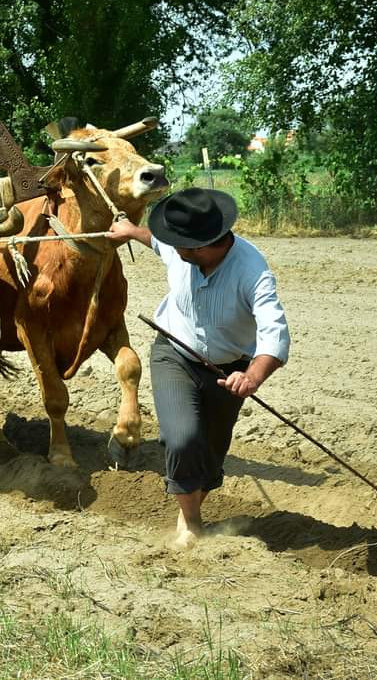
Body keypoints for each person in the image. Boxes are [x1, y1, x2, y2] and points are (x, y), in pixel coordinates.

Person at [107, 188, 290, 549]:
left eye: (182, 246)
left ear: (207, 245)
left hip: (229, 370)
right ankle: (191, 523)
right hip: (174, 354)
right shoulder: (181, 251)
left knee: (210, 453)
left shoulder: (253, 273)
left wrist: (251, 376)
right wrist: (130, 230)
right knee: (183, 438)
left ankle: (189, 505)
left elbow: (275, 334)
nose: (173, 249)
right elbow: (156, 242)